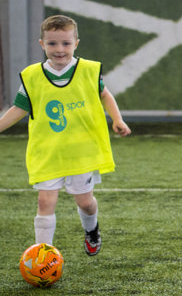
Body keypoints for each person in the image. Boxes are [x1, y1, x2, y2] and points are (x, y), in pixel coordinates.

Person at [0, 14, 131, 255]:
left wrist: (117, 119)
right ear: (42, 44)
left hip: (81, 152)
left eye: (65, 43)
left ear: (76, 43)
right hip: (48, 152)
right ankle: (43, 254)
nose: (59, 49)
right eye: (52, 43)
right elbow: (19, 108)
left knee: (85, 203)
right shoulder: (31, 76)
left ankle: (92, 230)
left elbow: (104, 94)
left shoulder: (88, 70)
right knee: (45, 202)